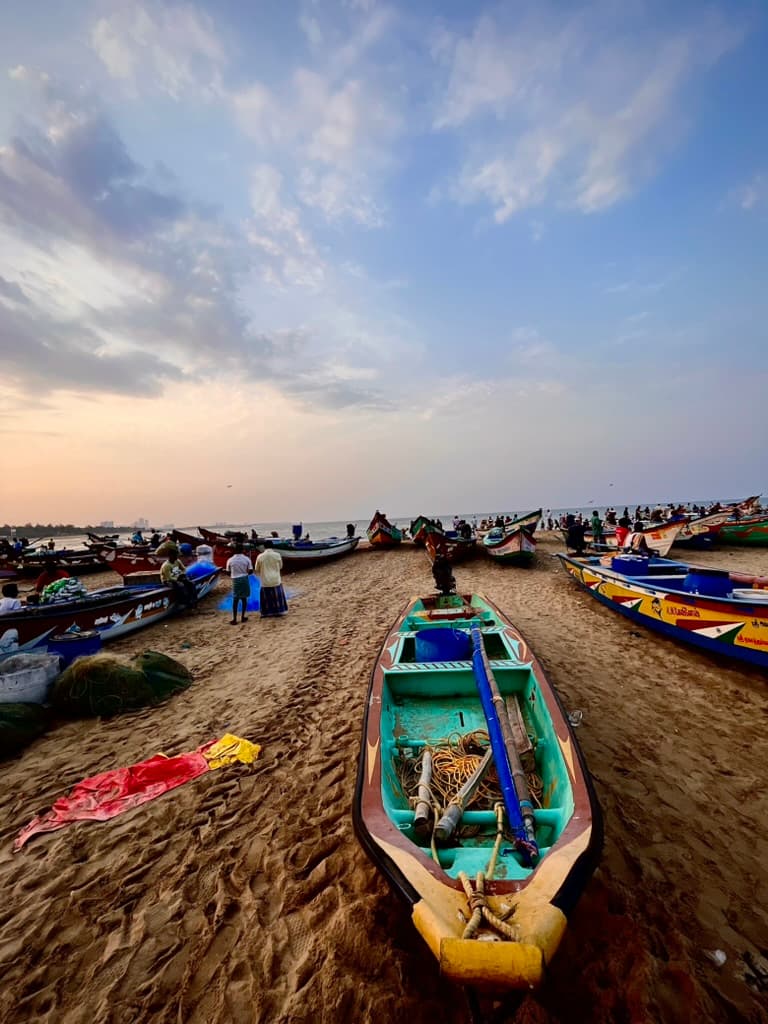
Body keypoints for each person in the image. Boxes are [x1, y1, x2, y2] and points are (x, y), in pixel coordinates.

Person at [255, 540, 287, 617]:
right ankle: (279, 611)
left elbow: (257, 569)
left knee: (267, 597)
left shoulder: (260, 556)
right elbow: (280, 566)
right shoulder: (277, 555)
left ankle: (267, 612)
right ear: (272, 546)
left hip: (265, 580)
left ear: (264, 547)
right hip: (276, 579)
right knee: (277, 596)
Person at [225, 542, 252, 625]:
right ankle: (243, 617)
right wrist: (245, 573)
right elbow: (250, 570)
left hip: (235, 579)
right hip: (244, 578)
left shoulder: (230, 560)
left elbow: (227, 572)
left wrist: (233, 574)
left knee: (235, 599)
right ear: (243, 550)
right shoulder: (247, 559)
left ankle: (234, 619)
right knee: (244, 599)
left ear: (233, 550)